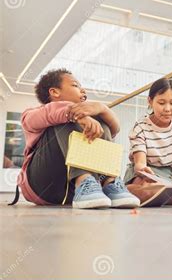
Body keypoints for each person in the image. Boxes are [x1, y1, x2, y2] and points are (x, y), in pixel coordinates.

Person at [16, 68, 139, 209]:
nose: (83, 90)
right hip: (42, 185)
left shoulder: (88, 117)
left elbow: (113, 130)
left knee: (101, 122)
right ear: (55, 92)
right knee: (65, 117)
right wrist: (77, 115)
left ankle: (109, 183)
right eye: (75, 85)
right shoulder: (32, 114)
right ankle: (83, 179)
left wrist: (102, 108)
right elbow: (50, 113)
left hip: (73, 191)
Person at [124, 77, 172, 204]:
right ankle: (128, 191)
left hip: (169, 173)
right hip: (145, 172)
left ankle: (166, 196)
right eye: (161, 103)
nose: (167, 109)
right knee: (146, 187)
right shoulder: (140, 127)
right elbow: (140, 164)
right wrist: (144, 172)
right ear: (150, 101)